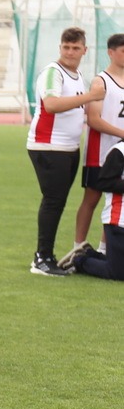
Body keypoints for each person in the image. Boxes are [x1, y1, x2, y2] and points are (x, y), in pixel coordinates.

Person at [25, 27, 93, 275]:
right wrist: (90, 96)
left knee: (58, 201)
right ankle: (41, 258)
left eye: (75, 48)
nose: (70, 52)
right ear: (60, 47)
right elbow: (52, 104)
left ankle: (47, 256)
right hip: (49, 146)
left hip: (69, 147)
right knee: (53, 201)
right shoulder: (54, 72)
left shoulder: (78, 76)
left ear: (84, 50)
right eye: (66, 47)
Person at [66, 33, 124, 267]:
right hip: (100, 151)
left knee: (116, 198)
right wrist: (121, 134)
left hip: (120, 153)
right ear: (111, 52)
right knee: (92, 198)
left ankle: (105, 248)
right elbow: (93, 119)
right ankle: (78, 246)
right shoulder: (101, 81)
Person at [74, 141, 124, 278]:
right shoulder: (120, 151)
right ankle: (79, 260)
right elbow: (104, 182)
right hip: (119, 221)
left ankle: (91, 254)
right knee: (118, 273)